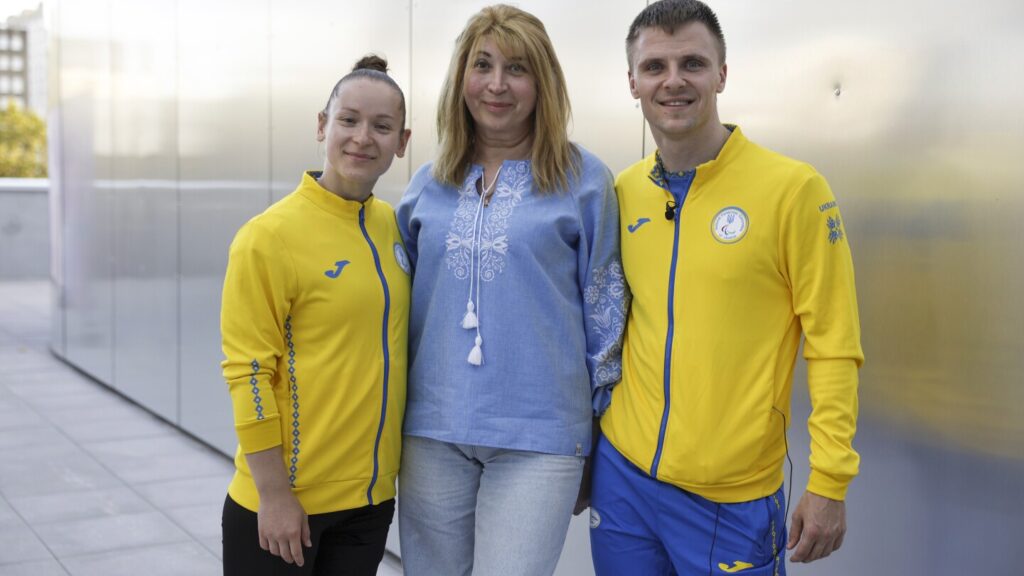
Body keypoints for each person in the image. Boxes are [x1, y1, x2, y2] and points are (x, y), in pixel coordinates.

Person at [589, 1, 864, 574]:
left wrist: (830, 479)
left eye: (692, 63)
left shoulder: (794, 191)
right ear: (632, 82)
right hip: (623, 480)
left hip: (731, 497)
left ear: (721, 74)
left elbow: (833, 345)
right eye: (654, 67)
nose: (673, 81)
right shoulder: (621, 191)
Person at [395, 5, 627, 575]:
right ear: (461, 79)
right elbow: (395, 310)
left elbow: (606, 318)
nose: (497, 85)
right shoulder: (427, 184)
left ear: (542, 83)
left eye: (517, 68)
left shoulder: (584, 180)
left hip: (542, 436)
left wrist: (602, 442)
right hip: (430, 431)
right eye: (483, 65)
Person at [219, 55, 411, 576]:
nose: (362, 138)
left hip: (370, 504)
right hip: (287, 505)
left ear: (402, 141)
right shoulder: (268, 237)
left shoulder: (396, 228)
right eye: (348, 120)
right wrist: (274, 495)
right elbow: (248, 372)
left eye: (381, 126)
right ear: (322, 125)